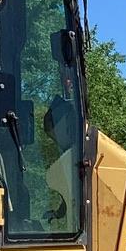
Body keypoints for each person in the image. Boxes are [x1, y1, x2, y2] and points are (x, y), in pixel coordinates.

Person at [42, 96, 79, 226]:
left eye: (54, 136)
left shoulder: (79, 155)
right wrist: (58, 213)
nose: (55, 141)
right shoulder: (72, 154)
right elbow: (69, 194)